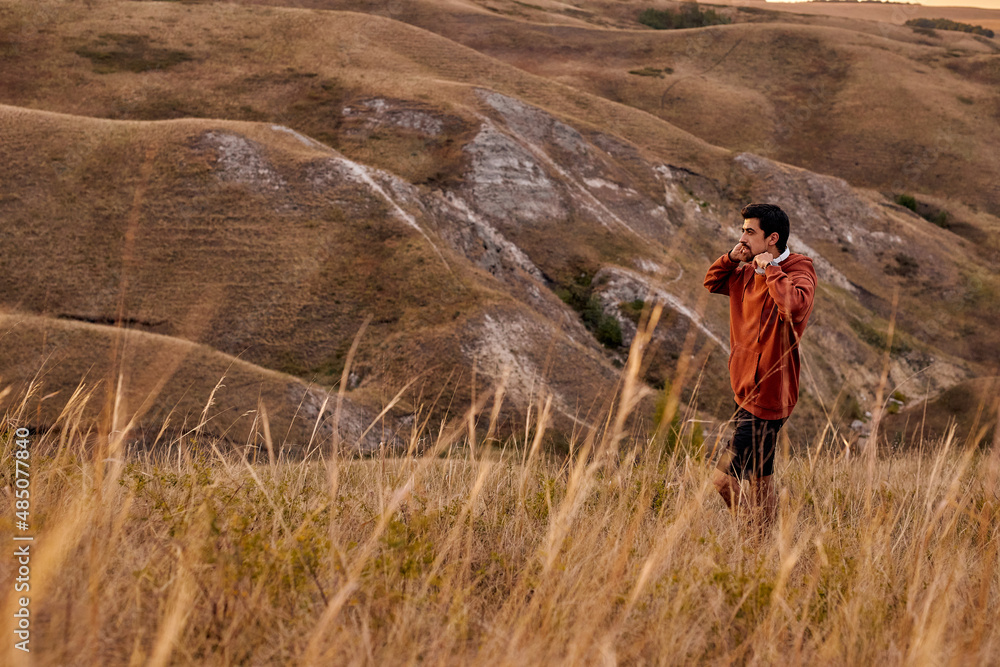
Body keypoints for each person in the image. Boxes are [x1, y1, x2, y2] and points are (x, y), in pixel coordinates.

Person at [703, 203, 817, 525]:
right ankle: (764, 545)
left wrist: (771, 271)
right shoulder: (745, 270)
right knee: (761, 479)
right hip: (744, 388)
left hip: (769, 393)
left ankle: (751, 532)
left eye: (749, 231)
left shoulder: (798, 271)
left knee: (723, 480)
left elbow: (792, 308)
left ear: (772, 239)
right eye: (743, 230)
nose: (742, 236)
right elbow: (711, 281)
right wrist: (730, 257)